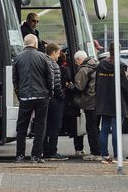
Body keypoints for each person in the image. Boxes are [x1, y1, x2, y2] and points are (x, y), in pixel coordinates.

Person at [13, 34, 55, 163]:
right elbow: (50, 77)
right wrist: (50, 92)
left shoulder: (18, 58)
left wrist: (19, 93)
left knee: (21, 127)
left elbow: (15, 79)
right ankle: (35, 156)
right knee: (40, 127)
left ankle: (20, 155)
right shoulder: (43, 57)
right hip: (42, 96)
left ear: (24, 44)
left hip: (25, 97)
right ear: (36, 44)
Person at [96, 42, 128, 163]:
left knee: (104, 128)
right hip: (117, 101)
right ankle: (118, 156)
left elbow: (96, 83)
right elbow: (126, 86)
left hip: (103, 100)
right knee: (116, 128)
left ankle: (104, 155)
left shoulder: (101, 65)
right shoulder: (120, 66)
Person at [71, 50, 101, 161]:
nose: (76, 63)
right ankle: (100, 150)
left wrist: (69, 86)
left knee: (91, 128)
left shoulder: (84, 69)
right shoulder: (96, 65)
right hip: (98, 101)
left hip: (89, 102)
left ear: (79, 59)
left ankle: (95, 152)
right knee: (96, 127)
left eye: (76, 61)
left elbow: (79, 87)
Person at [42, 43, 69, 161]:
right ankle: (53, 151)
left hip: (43, 98)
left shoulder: (42, 62)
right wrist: (62, 97)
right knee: (55, 126)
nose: (59, 56)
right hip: (54, 100)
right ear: (53, 53)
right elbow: (56, 85)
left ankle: (45, 150)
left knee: (44, 126)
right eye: (58, 53)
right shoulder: (54, 65)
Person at [60, 51, 85, 156]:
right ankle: (79, 148)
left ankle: (48, 149)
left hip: (64, 101)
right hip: (73, 102)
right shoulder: (71, 69)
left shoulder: (61, 68)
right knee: (77, 125)